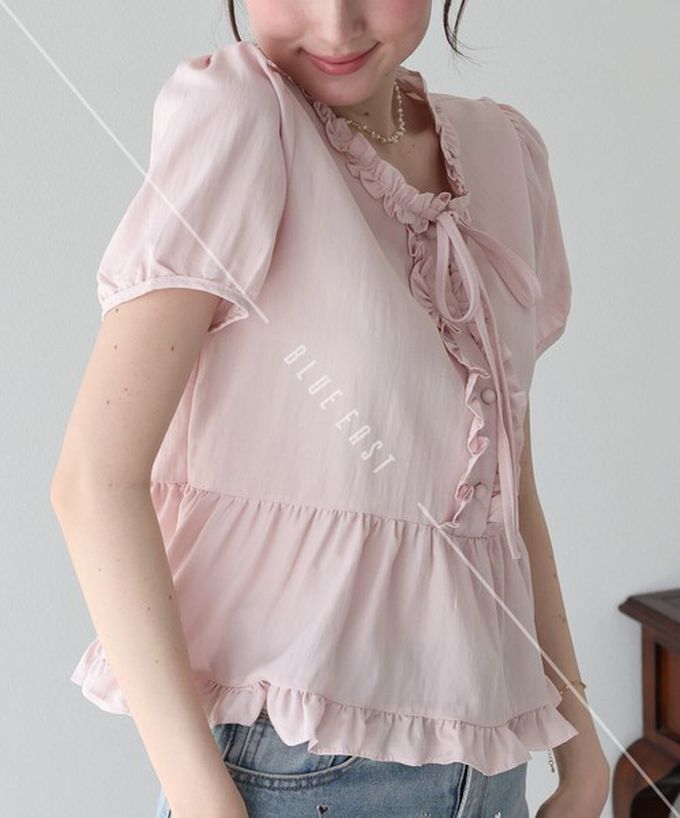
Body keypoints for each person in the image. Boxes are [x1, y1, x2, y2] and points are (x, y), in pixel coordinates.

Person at [50, 1, 611, 817]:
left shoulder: (502, 151)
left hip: (491, 769)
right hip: (294, 772)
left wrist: (584, 753)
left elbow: (507, 488)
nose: (336, 23)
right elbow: (93, 482)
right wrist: (205, 802)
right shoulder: (244, 119)